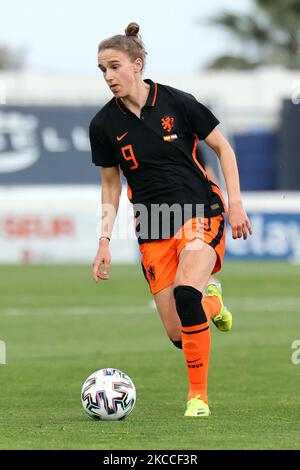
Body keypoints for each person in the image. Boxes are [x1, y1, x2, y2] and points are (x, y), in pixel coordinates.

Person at [90, 22, 252, 417]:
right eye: (102, 70)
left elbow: (223, 148)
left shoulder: (178, 103)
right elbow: (110, 187)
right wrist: (105, 240)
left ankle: (198, 398)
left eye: (114, 66)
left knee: (185, 294)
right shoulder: (103, 125)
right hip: (153, 228)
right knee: (180, 334)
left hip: (201, 212)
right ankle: (212, 301)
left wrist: (235, 203)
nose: (109, 76)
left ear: (137, 64)